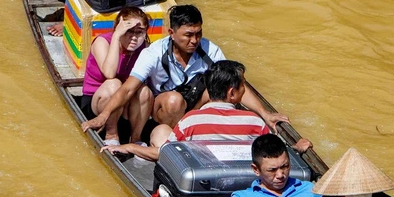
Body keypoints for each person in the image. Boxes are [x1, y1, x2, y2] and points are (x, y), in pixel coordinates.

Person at [81, 5, 285, 144]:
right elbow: (127, 90)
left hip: (194, 106)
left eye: (198, 34)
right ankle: (164, 139)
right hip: (163, 109)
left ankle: (194, 132)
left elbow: (235, 84)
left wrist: (265, 114)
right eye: (188, 35)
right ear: (171, 33)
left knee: (218, 89)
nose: (194, 41)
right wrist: (104, 115)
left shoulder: (210, 50)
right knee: (173, 100)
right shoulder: (153, 53)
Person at [103, 61, 312, 159]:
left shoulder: (190, 121)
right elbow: (276, 154)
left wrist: (130, 147)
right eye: (243, 86)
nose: (244, 90)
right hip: (240, 181)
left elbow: (163, 154)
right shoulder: (254, 122)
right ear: (232, 93)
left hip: (205, 181)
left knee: (160, 134)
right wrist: (297, 148)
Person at [78, 6, 154, 145]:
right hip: (98, 101)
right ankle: (111, 135)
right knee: (114, 84)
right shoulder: (102, 42)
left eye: (139, 32)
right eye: (129, 31)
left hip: (125, 103)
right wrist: (116, 37)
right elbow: (109, 73)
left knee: (144, 91)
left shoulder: (145, 48)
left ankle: (135, 139)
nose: (134, 38)